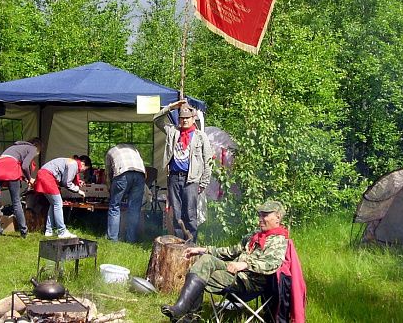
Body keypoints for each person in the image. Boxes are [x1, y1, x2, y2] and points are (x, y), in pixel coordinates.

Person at [161, 200, 306, 323]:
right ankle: (187, 314)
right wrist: (201, 249)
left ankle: (186, 314)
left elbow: (272, 264)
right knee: (203, 261)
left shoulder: (279, 241)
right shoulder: (254, 236)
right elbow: (230, 251)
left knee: (201, 269)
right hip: (235, 273)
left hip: (251, 282)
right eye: (260, 214)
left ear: (278, 217)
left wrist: (246, 264)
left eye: (265, 215)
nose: (260, 218)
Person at [154, 100, 212, 242]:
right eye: (182, 118)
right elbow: (156, 119)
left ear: (193, 119)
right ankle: (179, 244)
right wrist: (171, 107)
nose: (184, 121)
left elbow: (208, 160)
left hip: (191, 179)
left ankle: (191, 244)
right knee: (177, 214)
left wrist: (203, 182)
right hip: (174, 177)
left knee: (190, 213)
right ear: (179, 119)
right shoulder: (173, 132)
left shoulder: (200, 136)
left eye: (187, 118)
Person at [0, 137, 43, 245]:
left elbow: (14, 162)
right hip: (11, 170)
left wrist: (25, 177)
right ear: (38, 148)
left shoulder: (15, 147)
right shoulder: (32, 148)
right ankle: (24, 232)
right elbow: (25, 165)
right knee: (16, 202)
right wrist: (30, 178)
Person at [34, 155, 90, 238]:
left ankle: (49, 231)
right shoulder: (74, 164)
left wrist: (78, 182)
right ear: (82, 164)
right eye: (84, 169)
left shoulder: (71, 162)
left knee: (53, 204)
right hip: (47, 177)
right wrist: (78, 190)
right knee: (58, 204)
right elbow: (67, 183)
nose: (82, 171)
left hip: (42, 175)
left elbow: (64, 177)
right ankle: (62, 231)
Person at [104, 143, 146, 242]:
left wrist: (110, 187)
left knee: (115, 206)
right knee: (134, 208)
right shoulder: (134, 149)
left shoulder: (110, 152)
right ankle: (131, 239)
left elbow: (108, 174)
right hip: (140, 174)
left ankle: (112, 239)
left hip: (122, 172)